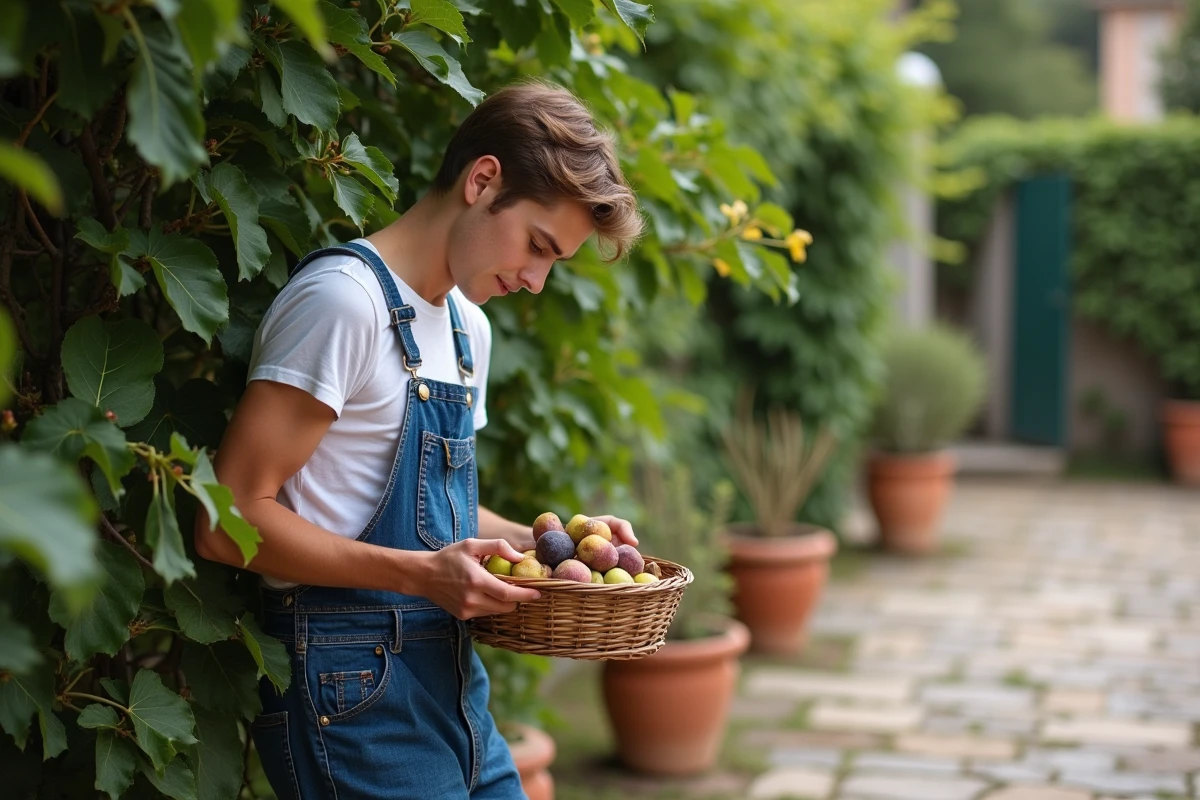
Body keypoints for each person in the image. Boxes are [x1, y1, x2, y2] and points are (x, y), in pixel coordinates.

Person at [194, 81, 645, 799]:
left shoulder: (471, 332)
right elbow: (225, 522)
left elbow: (442, 521)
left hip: (453, 685)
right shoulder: (345, 302)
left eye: (554, 262)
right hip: (347, 692)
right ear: (483, 179)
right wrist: (417, 574)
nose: (535, 281)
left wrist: (548, 540)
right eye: (537, 245)